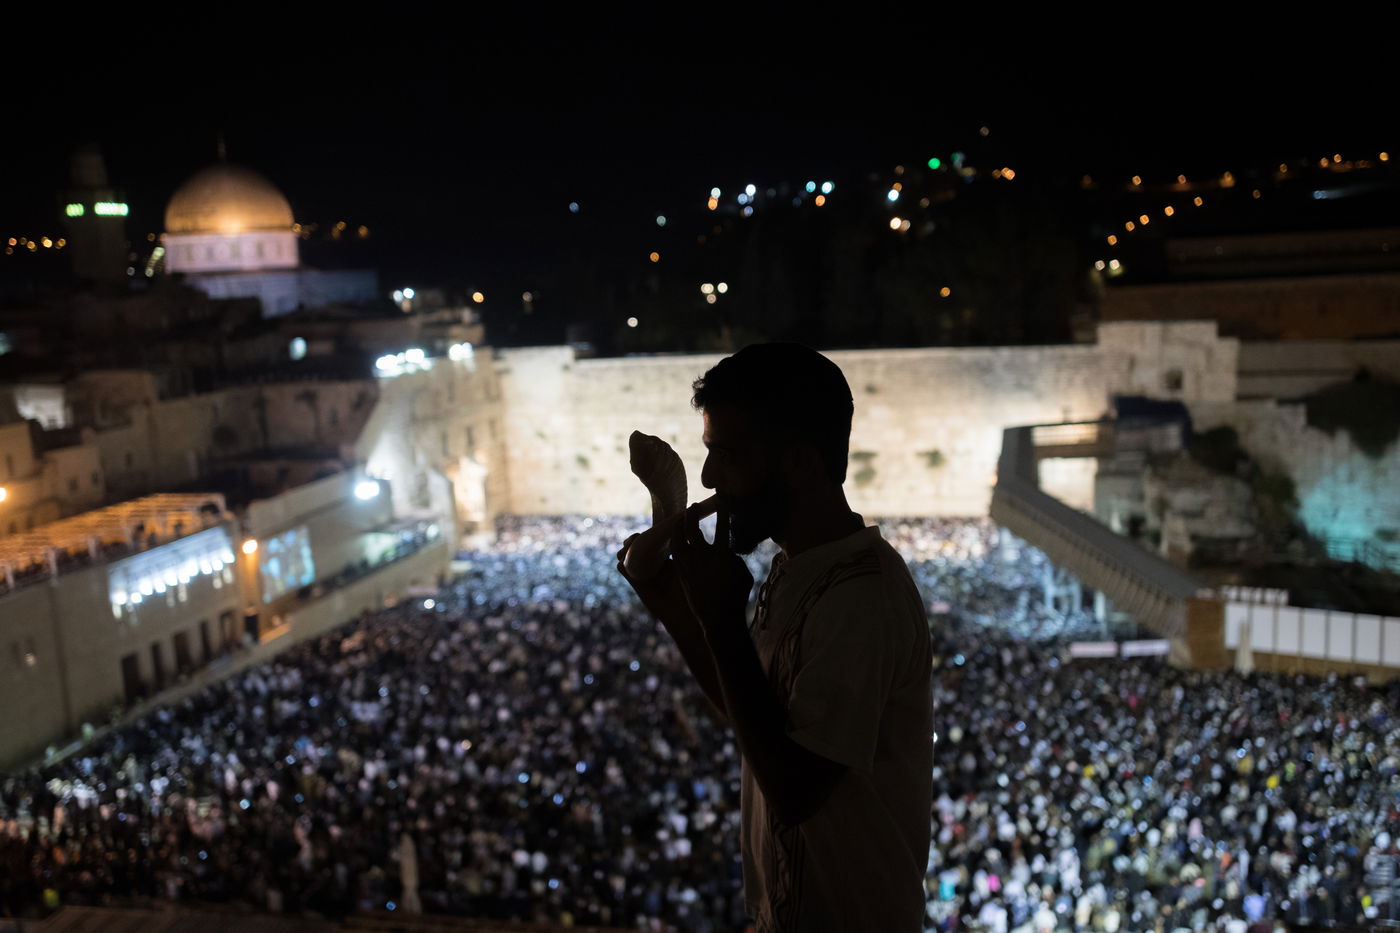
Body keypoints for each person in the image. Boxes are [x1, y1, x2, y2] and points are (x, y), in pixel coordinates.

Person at [617, 342, 933, 932]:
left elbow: (794, 788)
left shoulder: (859, 593)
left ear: (801, 466)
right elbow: (757, 723)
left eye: (727, 457)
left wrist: (719, 621)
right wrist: (672, 606)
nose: (710, 478)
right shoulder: (795, 568)